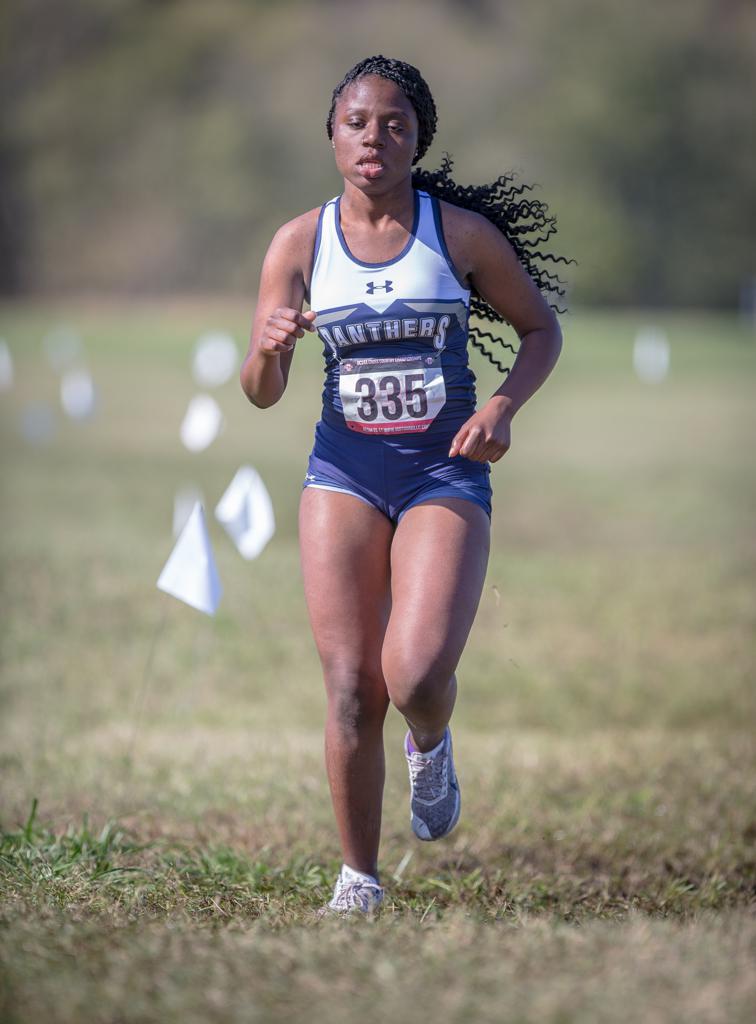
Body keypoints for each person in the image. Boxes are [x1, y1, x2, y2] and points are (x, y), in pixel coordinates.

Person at [240, 56, 564, 915]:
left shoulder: (456, 235)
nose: (374, 137)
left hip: (442, 471)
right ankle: (359, 878)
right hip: (342, 472)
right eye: (357, 122)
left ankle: (431, 741)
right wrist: (269, 346)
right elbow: (260, 392)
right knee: (351, 685)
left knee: (415, 674)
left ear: (419, 139)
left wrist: (501, 405)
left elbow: (540, 329)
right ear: (332, 135)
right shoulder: (298, 243)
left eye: (395, 123)